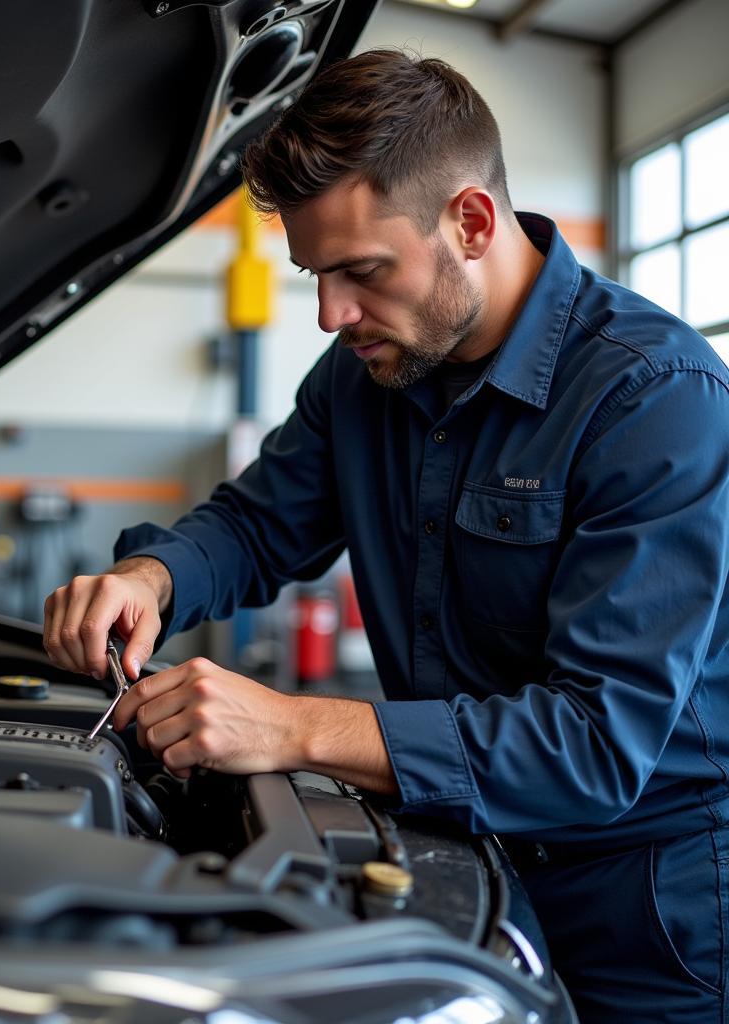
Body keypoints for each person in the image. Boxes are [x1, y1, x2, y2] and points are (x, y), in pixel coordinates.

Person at [42, 49, 729, 1022]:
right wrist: (154, 577)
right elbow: (255, 521)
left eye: (360, 272)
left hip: (645, 909)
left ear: (471, 222)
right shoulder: (364, 378)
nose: (331, 315)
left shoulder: (653, 398)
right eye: (315, 276)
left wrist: (290, 724)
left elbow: (593, 744)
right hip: (461, 855)